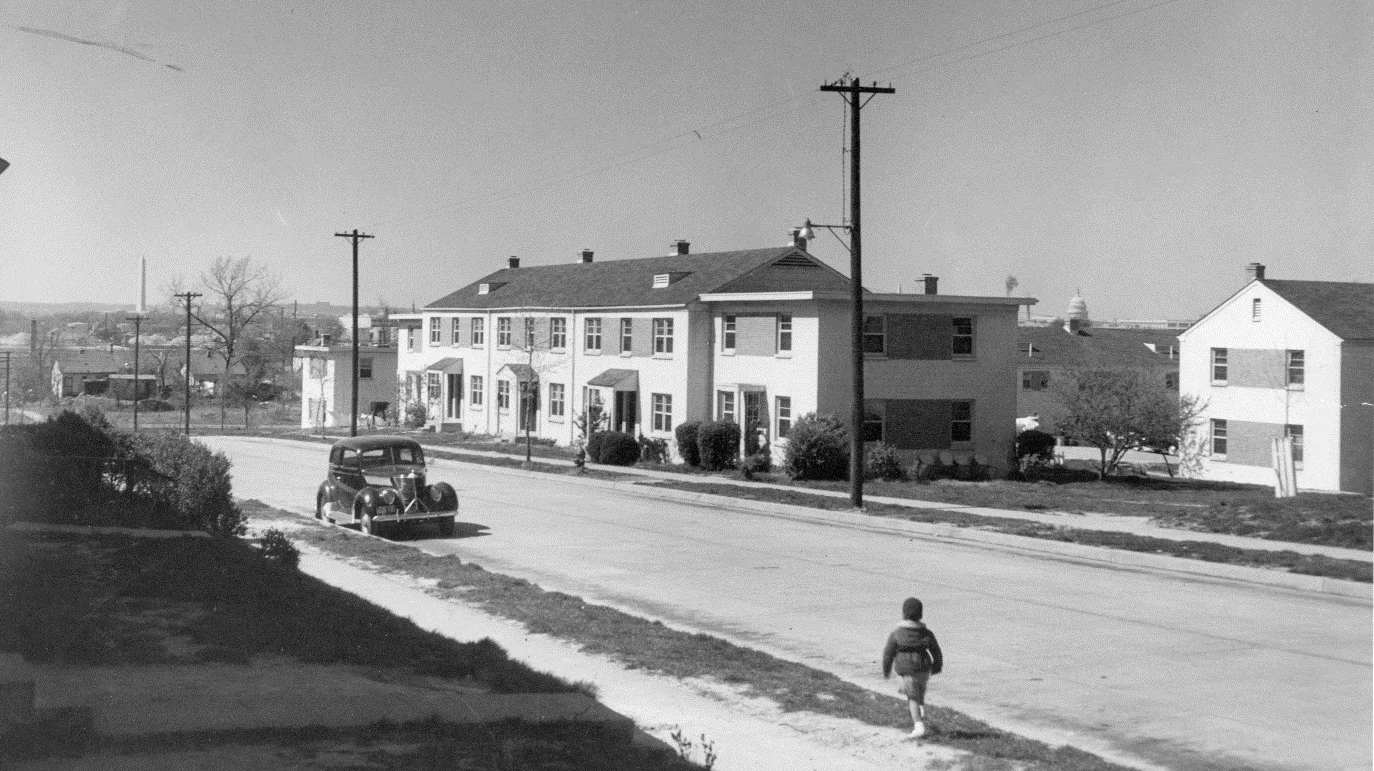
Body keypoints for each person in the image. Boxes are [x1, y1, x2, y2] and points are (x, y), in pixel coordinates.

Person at [882, 597, 943, 739]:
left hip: (907, 670)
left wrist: (886, 669)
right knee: (919, 691)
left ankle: (918, 725)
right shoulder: (926, 633)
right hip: (923, 669)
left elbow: (888, 653)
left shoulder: (897, 633)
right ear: (920, 614)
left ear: (903, 613)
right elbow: (936, 650)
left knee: (912, 698)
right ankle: (920, 710)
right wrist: (937, 665)